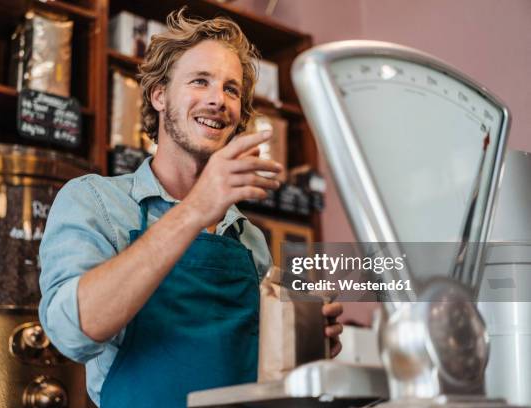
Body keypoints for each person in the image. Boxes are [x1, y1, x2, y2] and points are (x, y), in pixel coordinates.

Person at [39, 9, 343, 408]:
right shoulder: (95, 201)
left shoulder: (249, 240)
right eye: (200, 81)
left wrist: (308, 343)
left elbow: (263, 373)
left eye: (232, 90)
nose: (218, 100)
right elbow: (71, 332)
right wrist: (196, 208)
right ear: (159, 95)